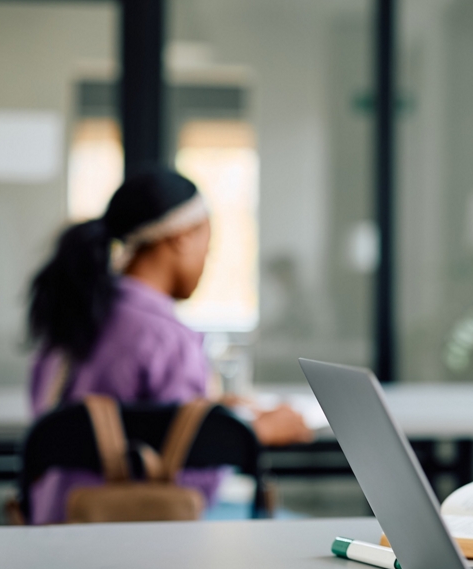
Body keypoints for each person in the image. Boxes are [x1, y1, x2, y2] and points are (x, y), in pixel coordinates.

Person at [25, 168, 312, 522]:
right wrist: (252, 434)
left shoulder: (72, 319)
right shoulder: (168, 338)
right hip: (130, 531)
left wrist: (213, 415)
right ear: (181, 239)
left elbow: (70, 426)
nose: (207, 261)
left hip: (51, 522)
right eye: (208, 247)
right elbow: (192, 487)